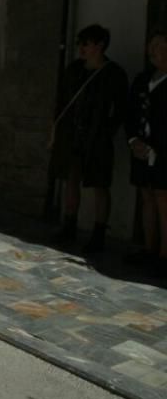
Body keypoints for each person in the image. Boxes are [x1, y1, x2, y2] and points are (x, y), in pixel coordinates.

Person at [50, 24, 129, 252]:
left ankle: (99, 233)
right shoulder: (75, 70)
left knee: (99, 185)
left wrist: (106, 132)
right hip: (73, 135)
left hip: (97, 138)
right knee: (71, 179)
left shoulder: (113, 74)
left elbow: (121, 109)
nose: (81, 48)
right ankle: (69, 225)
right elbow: (62, 101)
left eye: (86, 43)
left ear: (99, 45)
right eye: (80, 43)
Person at [125, 31, 167, 275]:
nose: (153, 51)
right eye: (152, 46)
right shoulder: (143, 80)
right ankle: (149, 248)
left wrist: (156, 148)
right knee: (146, 197)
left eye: (159, 46)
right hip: (141, 150)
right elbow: (130, 113)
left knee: (163, 198)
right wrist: (133, 140)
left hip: (162, 152)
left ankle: (164, 253)